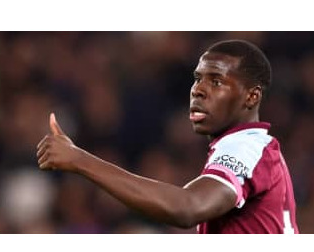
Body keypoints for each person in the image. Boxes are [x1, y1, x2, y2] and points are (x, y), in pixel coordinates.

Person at [36, 40, 299, 233]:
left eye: (216, 81)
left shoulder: (246, 147)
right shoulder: (250, 147)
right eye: (198, 79)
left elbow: (187, 207)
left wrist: (79, 159)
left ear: (251, 96)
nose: (198, 90)